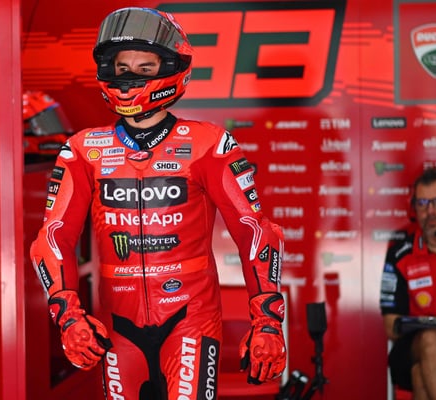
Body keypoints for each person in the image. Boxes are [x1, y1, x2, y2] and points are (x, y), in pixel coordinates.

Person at [30, 7, 287, 400]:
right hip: (117, 329)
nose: (129, 77)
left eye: (144, 68)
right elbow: (52, 238)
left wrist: (267, 320)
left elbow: (255, 233)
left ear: (171, 68)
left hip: (191, 322)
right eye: (122, 66)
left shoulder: (208, 144)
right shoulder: (82, 150)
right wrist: (67, 316)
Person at [379, 167, 436, 399]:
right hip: (413, 348)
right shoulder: (401, 252)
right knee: (431, 340)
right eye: (422, 203)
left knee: (422, 376)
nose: (431, 211)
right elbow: (391, 325)